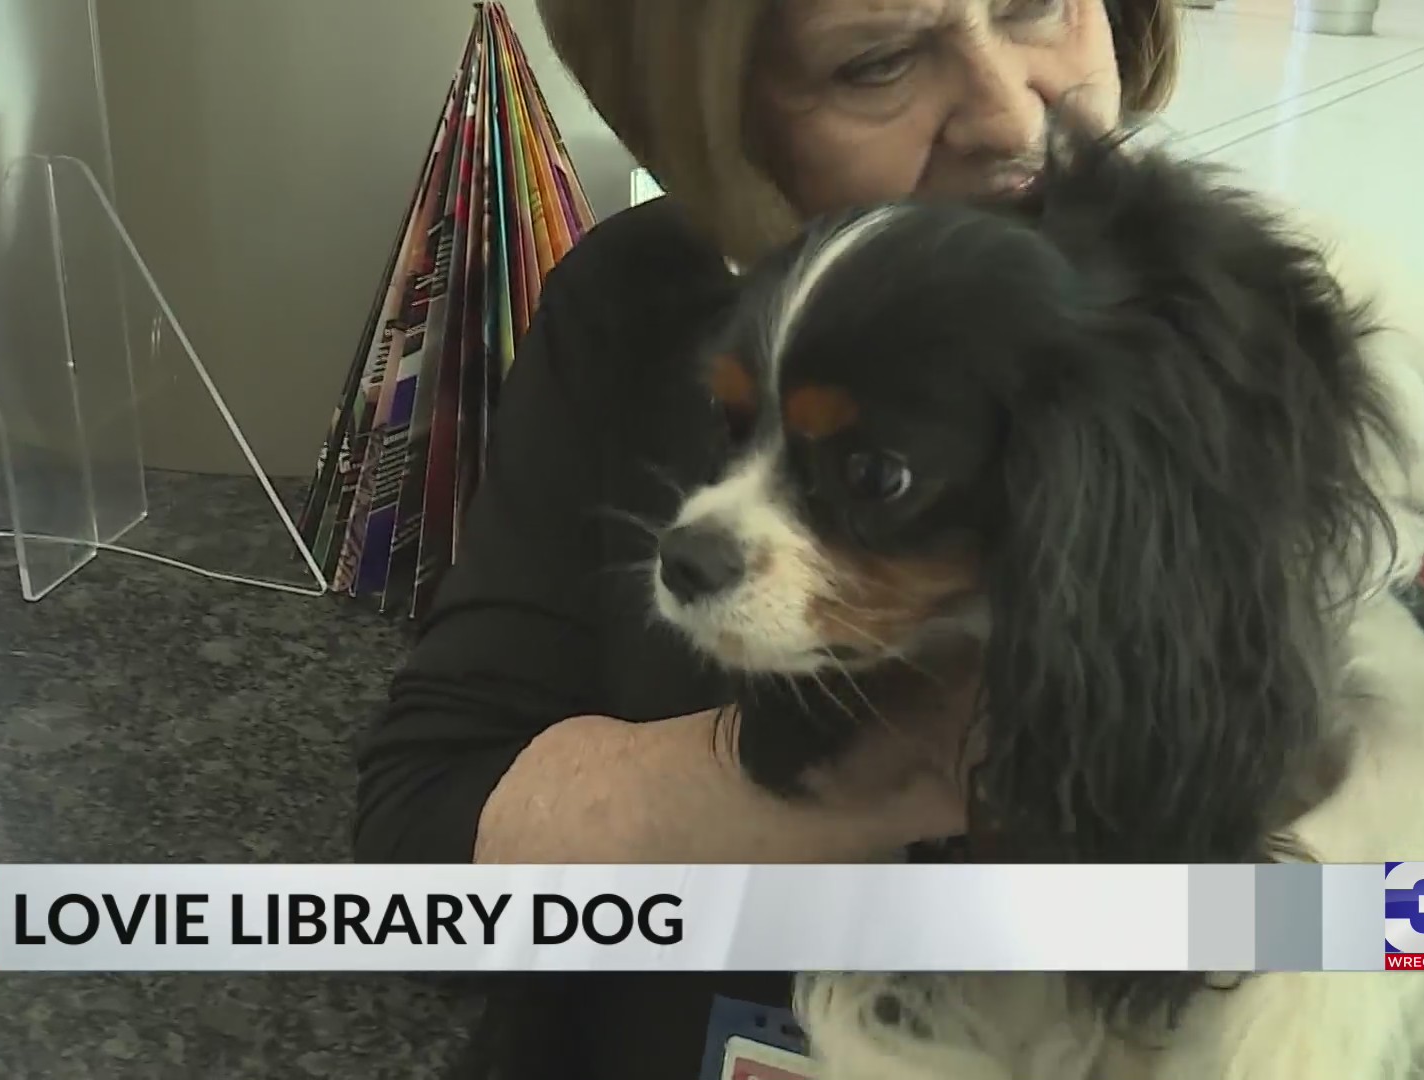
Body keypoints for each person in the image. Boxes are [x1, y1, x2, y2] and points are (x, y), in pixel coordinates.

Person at [352, 2, 1182, 1077]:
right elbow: (421, 863)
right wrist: (932, 751)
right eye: (878, 63)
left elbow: (1390, 926)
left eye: (1033, 3)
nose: (1013, 117)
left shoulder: (1251, 356)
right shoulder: (638, 301)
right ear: (717, 121)